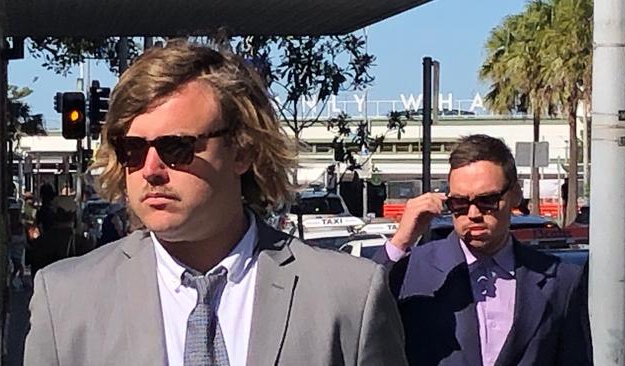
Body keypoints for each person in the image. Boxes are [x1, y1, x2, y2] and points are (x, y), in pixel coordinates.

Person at [25, 40, 406, 366]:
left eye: (177, 148)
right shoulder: (65, 301)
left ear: (241, 151)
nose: (152, 169)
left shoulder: (348, 296)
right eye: (133, 149)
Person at [373, 134, 591, 365]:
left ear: (515, 194)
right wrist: (401, 240)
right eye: (460, 203)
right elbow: (362, 312)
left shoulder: (561, 279)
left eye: (487, 200)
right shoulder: (414, 269)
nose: (474, 214)